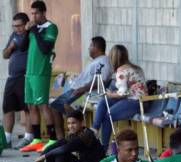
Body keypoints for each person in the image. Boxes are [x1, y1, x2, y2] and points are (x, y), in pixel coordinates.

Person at [50, 36, 112, 139]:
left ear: (96, 47)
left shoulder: (103, 62)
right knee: (54, 104)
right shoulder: (97, 61)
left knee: (57, 106)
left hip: (86, 93)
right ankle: (64, 137)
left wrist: (83, 88)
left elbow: (102, 80)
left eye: (90, 46)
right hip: (78, 89)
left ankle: (71, 135)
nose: (89, 48)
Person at [32, 110, 106, 162]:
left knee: (61, 155)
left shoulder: (86, 136)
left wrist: (43, 157)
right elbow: (55, 145)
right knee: (53, 153)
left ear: (82, 123)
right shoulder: (74, 134)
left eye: (74, 123)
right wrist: (40, 159)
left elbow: (64, 149)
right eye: (68, 123)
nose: (70, 126)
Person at [91, 44, 148, 152]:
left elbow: (123, 93)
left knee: (108, 116)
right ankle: (94, 128)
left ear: (113, 58)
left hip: (136, 102)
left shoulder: (121, 71)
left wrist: (111, 94)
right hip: (139, 100)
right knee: (104, 102)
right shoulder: (135, 68)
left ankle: (103, 148)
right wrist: (111, 95)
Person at [19, 1, 58, 152]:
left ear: (43, 13)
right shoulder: (33, 29)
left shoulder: (51, 28)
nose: (33, 16)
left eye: (35, 13)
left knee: (43, 105)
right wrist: (27, 32)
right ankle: (37, 140)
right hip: (29, 72)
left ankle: (52, 139)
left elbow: (45, 49)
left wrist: (34, 31)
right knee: (31, 106)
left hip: (41, 73)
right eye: (32, 13)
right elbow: (22, 48)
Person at [2, 12, 34, 149]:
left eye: (19, 26)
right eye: (14, 26)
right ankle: (7, 138)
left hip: (25, 76)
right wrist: (10, 48)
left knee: (27, 108)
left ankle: (28, 137)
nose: (17, 29)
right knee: (7, 108)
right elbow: (4, 55)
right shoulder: (14, 35)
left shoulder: (30, 35)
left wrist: (27, 32)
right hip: (12, 77)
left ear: (25, 24)